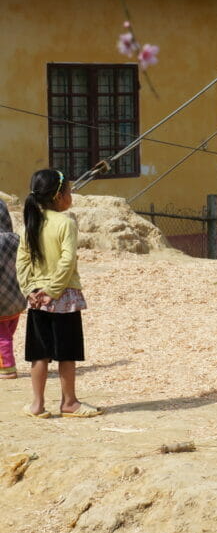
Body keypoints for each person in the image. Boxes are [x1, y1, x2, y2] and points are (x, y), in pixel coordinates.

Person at [16, 169, 101, 417]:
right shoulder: (66, 223)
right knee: (67, 353)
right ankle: (69, 403)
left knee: (39, 354)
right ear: (58, 196)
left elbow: (22, 262)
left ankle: (37, 405)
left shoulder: (29, 225)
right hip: (63, 297)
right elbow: (67, 261)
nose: (70, 196)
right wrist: (53, 290)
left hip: (36, 300)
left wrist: (30, 290)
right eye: (69, 191)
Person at [0, 200, 25, 379]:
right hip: (16, 297)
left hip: (0, 300)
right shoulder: (16, 238)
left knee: (2, 337)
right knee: (7, 333)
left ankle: (8, 368)